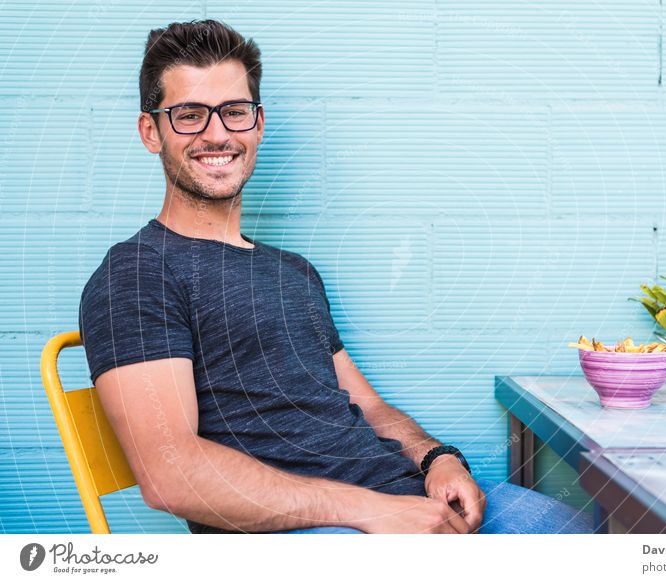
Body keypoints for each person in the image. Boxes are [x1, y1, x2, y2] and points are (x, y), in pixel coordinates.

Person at [79, 19, 593, 535]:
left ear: (257, 124)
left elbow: (367, 406)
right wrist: (370, 510)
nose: (218, 134)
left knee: (570, 523)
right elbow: (171, 475)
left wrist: (437, 458)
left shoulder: (293, 273)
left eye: (235, 112)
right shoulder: (136, 274)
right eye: (189, 115)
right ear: (152, 131)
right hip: (318, 532)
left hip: (402, 501)